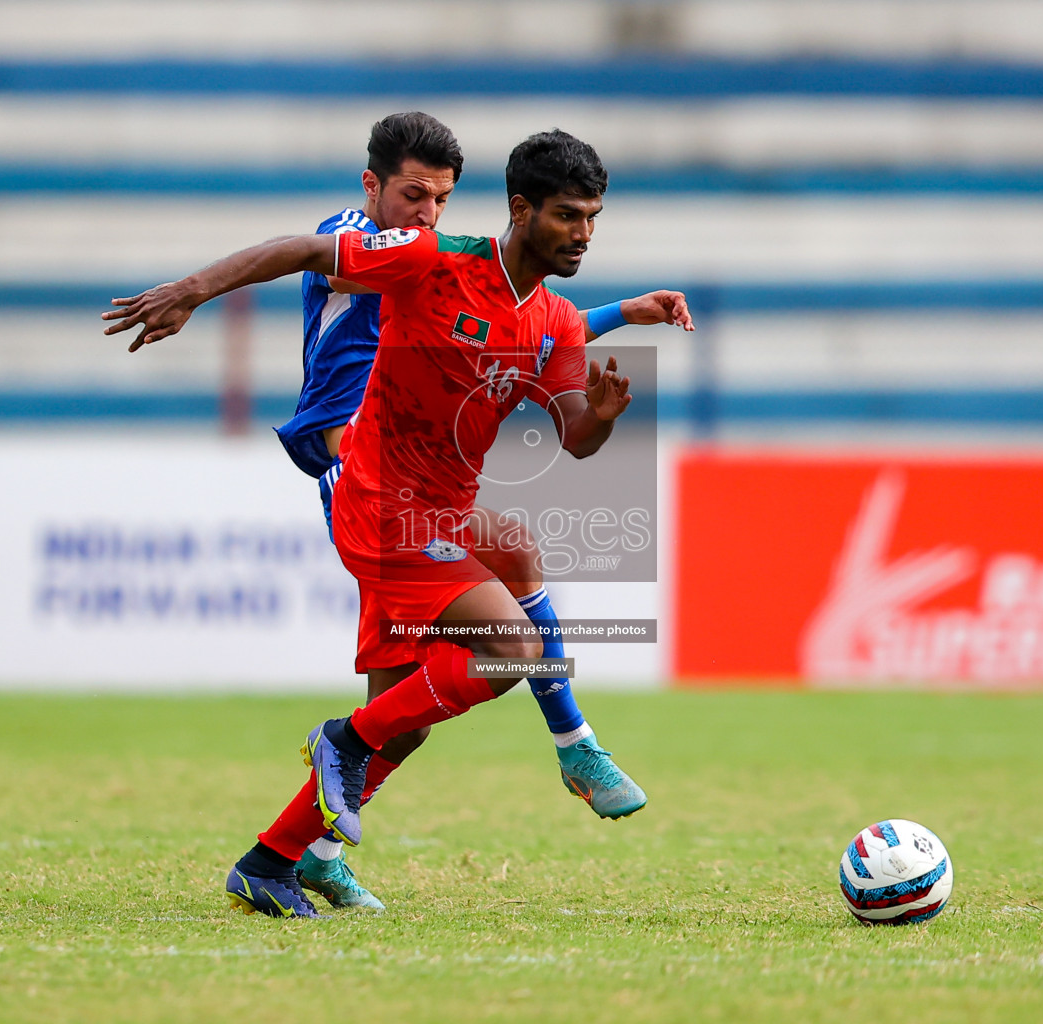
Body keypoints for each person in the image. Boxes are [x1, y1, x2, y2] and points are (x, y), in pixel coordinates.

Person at [105, 129, 670, 918]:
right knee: (509, 646)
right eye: (570, 216)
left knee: (406, 717)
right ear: (522, 208)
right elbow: (305, 249)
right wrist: (192, 291)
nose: (584, 233)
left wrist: (605, 419)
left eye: (594, 218)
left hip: (441, 512)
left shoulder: (559, 322)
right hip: (377, 503)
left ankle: (274, 861)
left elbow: (575, 435)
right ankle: (539, 745)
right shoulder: (429, 260)